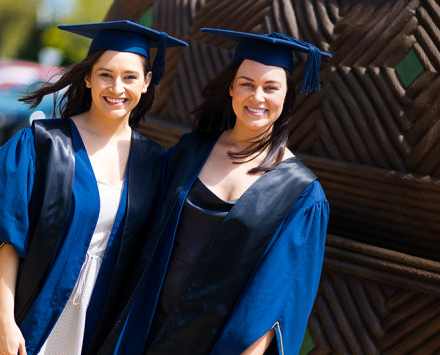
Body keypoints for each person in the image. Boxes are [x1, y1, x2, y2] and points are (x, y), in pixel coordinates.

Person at [102, 29, 331, 354]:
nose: (257, 96)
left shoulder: (301, 193)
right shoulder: (191, 152)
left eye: (271, 87)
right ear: (231, 88)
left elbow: (283, 295)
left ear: (286, 96)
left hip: (217, 343)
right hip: (145, 326)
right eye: (247, 84)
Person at [0, 20, 187, 354]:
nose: (116, 87)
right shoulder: (45, 145)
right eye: (105, 74)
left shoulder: (155, 163)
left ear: (147, 82)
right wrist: (5, 322)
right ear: (88, 77)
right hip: (31, 314)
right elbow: (6, 238)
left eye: (130, 77)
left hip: (98, 323)